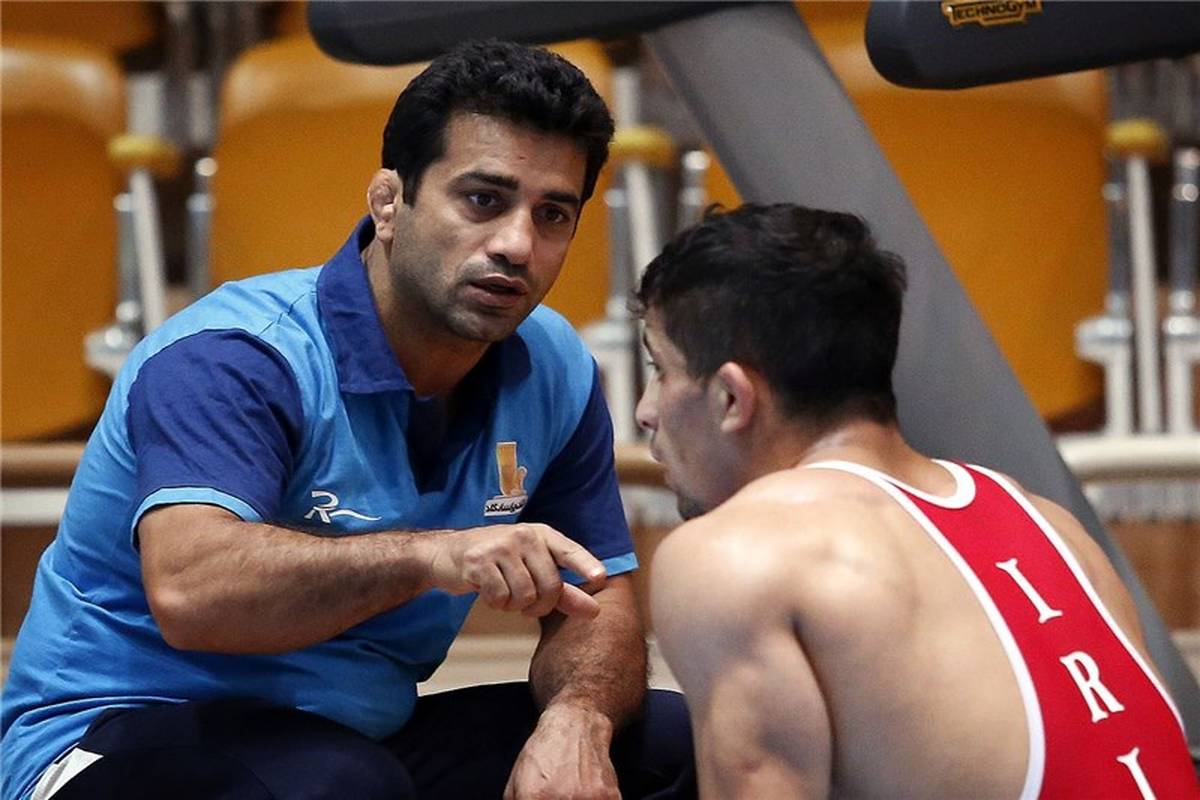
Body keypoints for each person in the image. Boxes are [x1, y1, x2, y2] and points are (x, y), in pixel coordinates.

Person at [1, 39, 693, 800]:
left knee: (668, 741)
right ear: (389, 203)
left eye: (553, 214)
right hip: (115, 734)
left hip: (354, 742)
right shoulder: (238, 355)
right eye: (483, 200)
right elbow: (194, 595)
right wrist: (434, 556)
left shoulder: (555, 365)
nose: (516, 244)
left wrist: (579, 720)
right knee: (339, 784)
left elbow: (598, 595)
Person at [636, 203, 1199, 799]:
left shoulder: (734, 556)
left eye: (660, 369)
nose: (646, 410)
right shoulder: (1052, 526)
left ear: (731, 398)